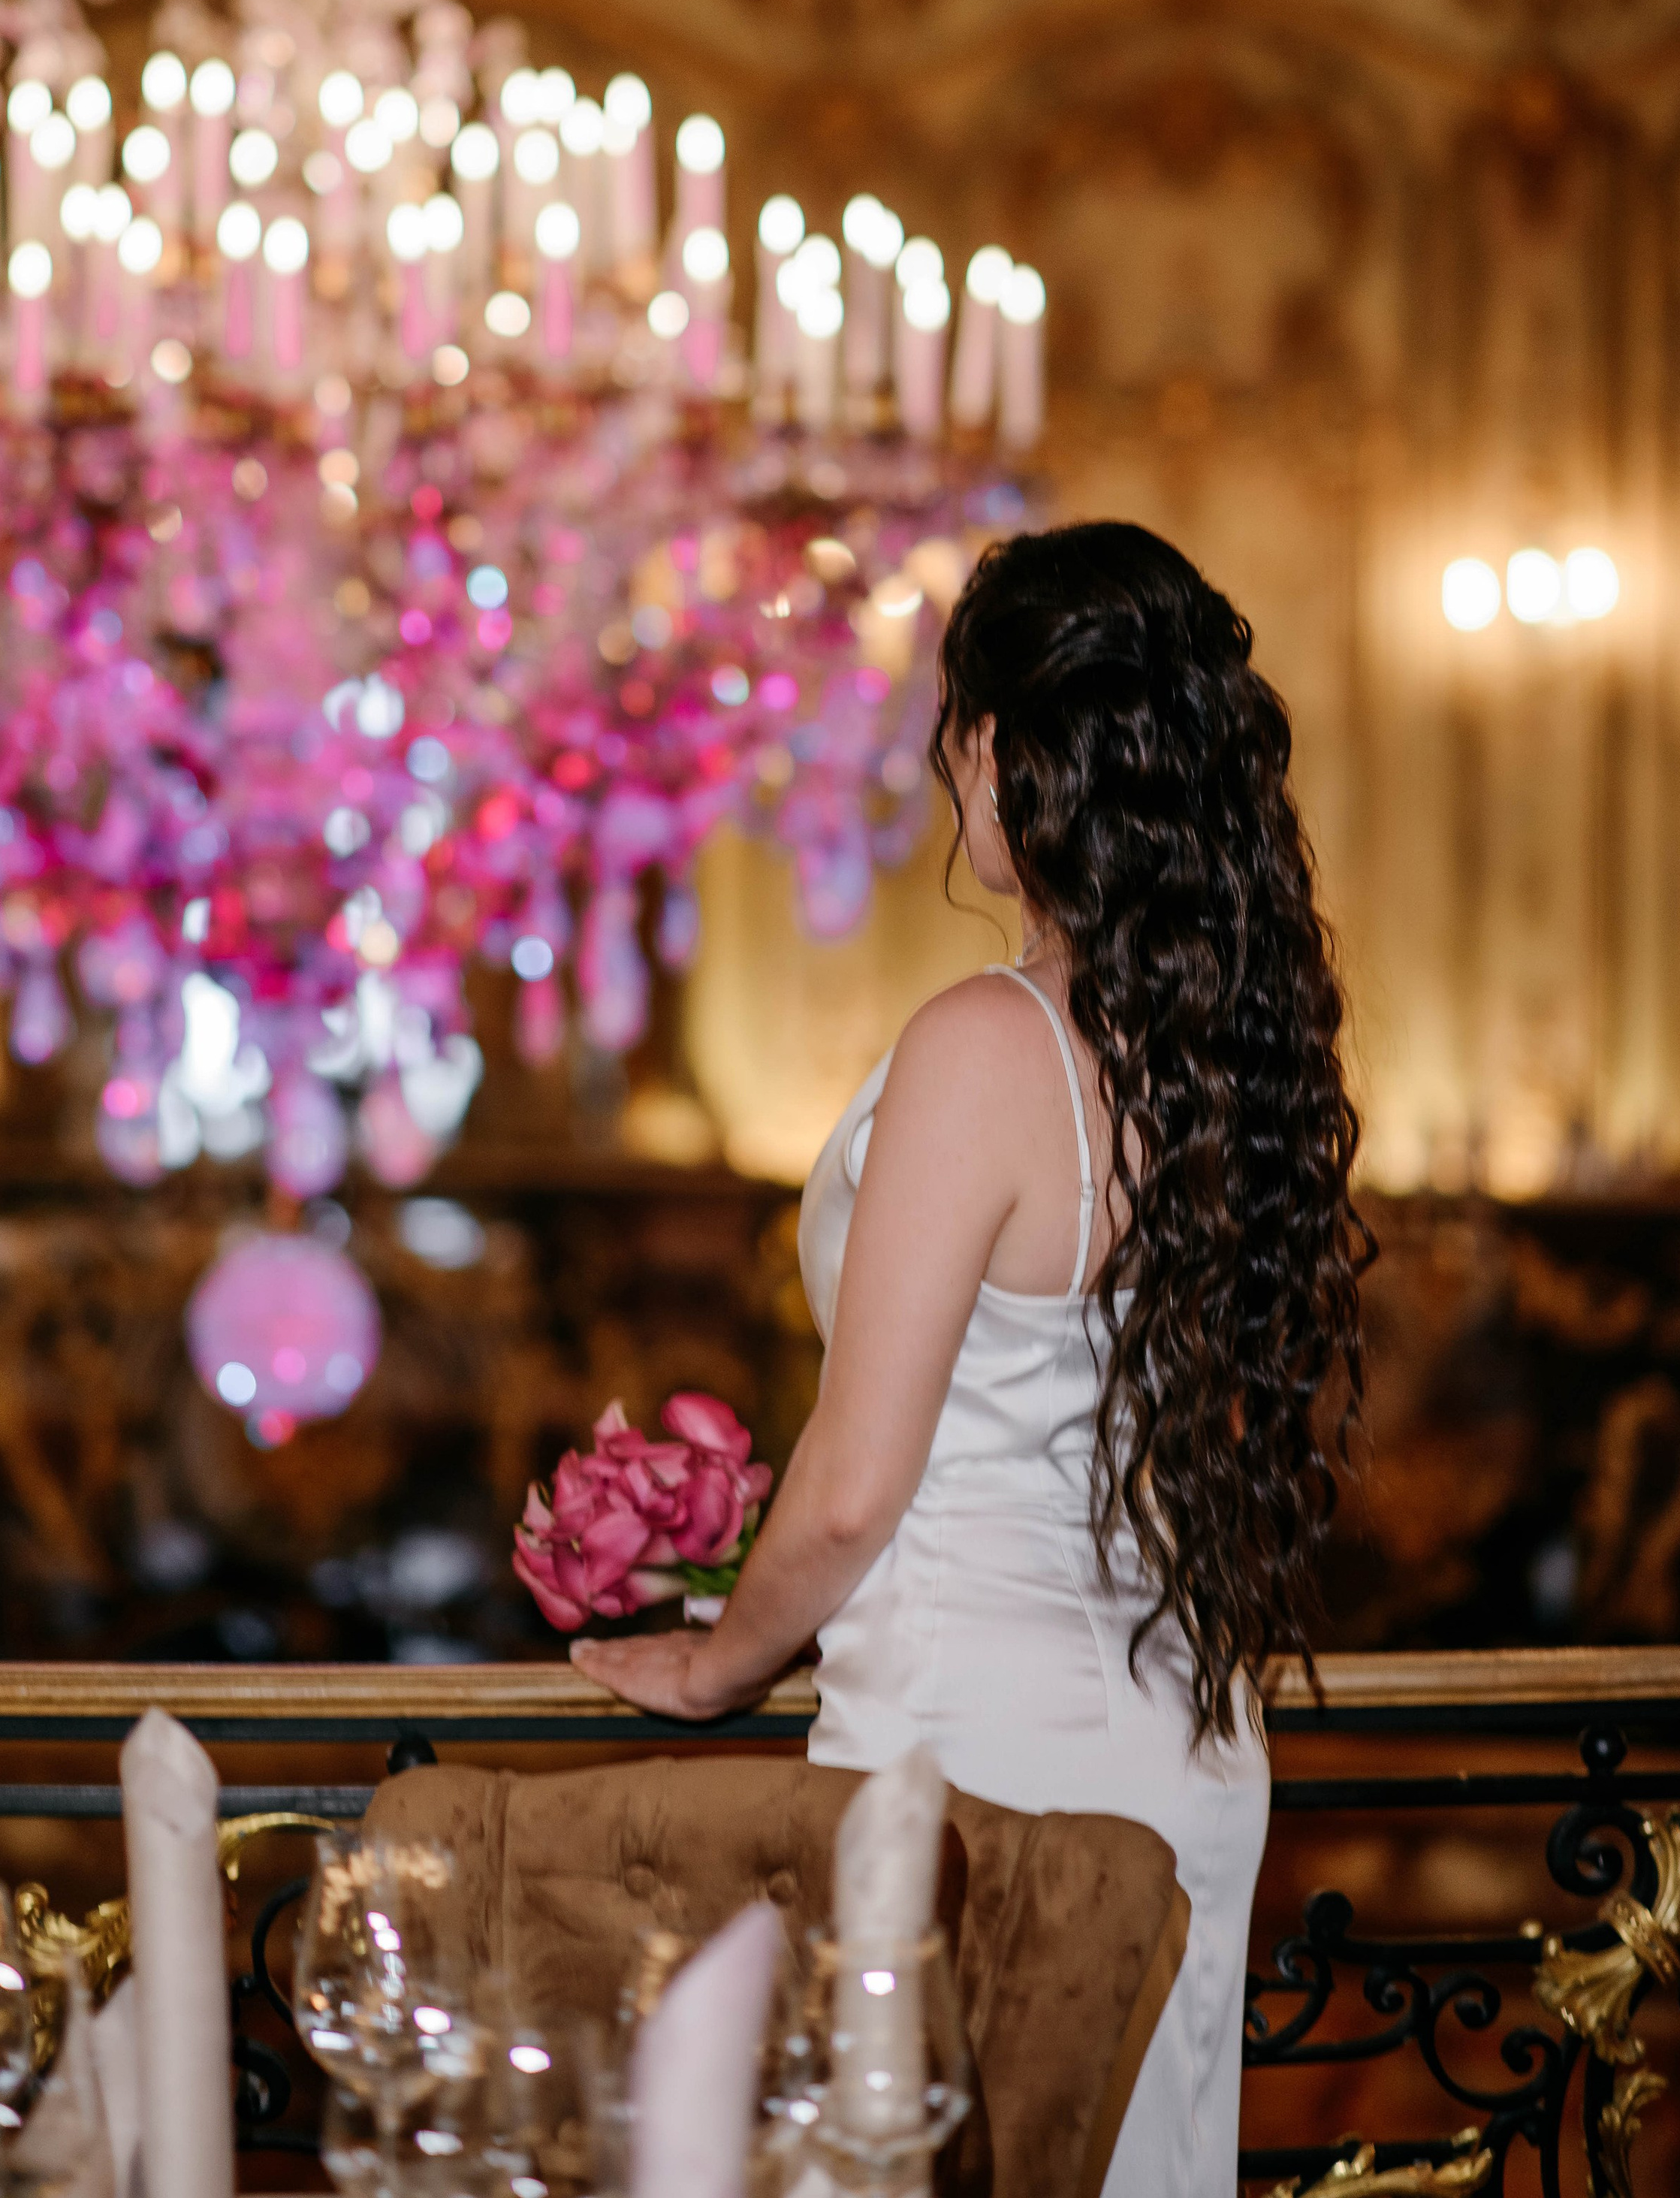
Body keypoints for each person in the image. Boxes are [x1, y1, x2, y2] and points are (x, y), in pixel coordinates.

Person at [572, 521, 1371, 2197]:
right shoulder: (1207, 1045)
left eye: (955, 729)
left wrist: (720, 1661)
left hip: (981, 1754)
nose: (946, 772)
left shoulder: (981, 1042)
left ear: (1005, 749)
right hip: (1177, 1730)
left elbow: (860, 1486)